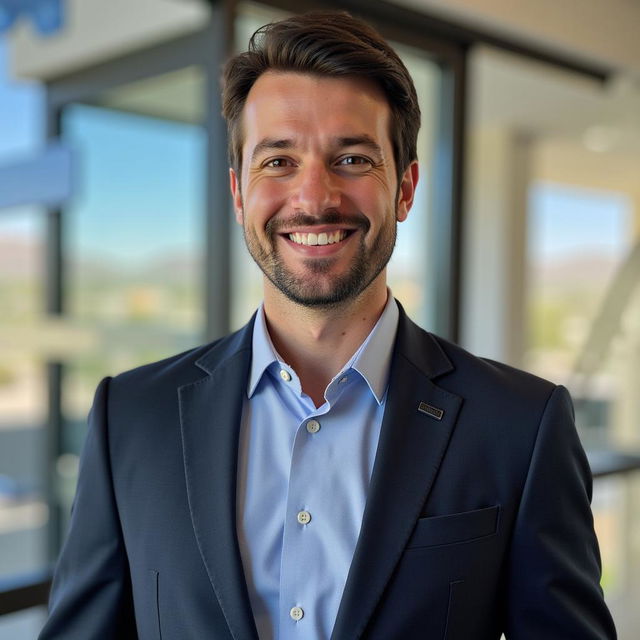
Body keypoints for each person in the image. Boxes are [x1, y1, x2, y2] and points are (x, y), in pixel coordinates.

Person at [39, 10, 616, 640]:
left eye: (352, 159)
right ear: (238, 194)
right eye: (278, 162)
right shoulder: (132, 416)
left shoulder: (520, 426)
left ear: (405, 188)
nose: (314, 198)